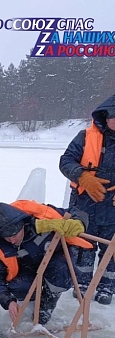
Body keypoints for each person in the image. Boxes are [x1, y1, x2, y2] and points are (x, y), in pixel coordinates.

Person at [0, 200, 90, 326]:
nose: (12, 240)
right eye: (7, 237)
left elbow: (77, 211)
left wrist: (79, 221)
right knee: (19, 287)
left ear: (21, 224)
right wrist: (8, 301)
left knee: (60, 271)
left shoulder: (44, 216)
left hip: (55, 260)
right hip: (27, 271)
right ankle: (34, 296)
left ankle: (48, 302)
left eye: (14, 234)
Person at [59, 93, 115, 305]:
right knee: (83, 244)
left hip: (113, 207)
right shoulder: (85, 137)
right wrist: (82, 177)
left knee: (111, 249)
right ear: (106, 117)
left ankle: (107, 286)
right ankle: (81, 283)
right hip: (85, 203)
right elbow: (65, 161)